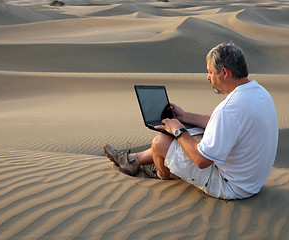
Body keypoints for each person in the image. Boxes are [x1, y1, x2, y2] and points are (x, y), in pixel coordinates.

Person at [103, 43, 278, 200]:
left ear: (224, 72)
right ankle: (133, 159)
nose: (208, 77)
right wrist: (184, 117)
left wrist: (179, 131)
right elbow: (221, 124)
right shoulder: (259, 93)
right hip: (251, 181)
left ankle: (161, 173)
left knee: (161, 142)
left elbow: (202, 161)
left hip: (231, 186)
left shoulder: (229, 109)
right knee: (189, 135)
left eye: (210, 72)